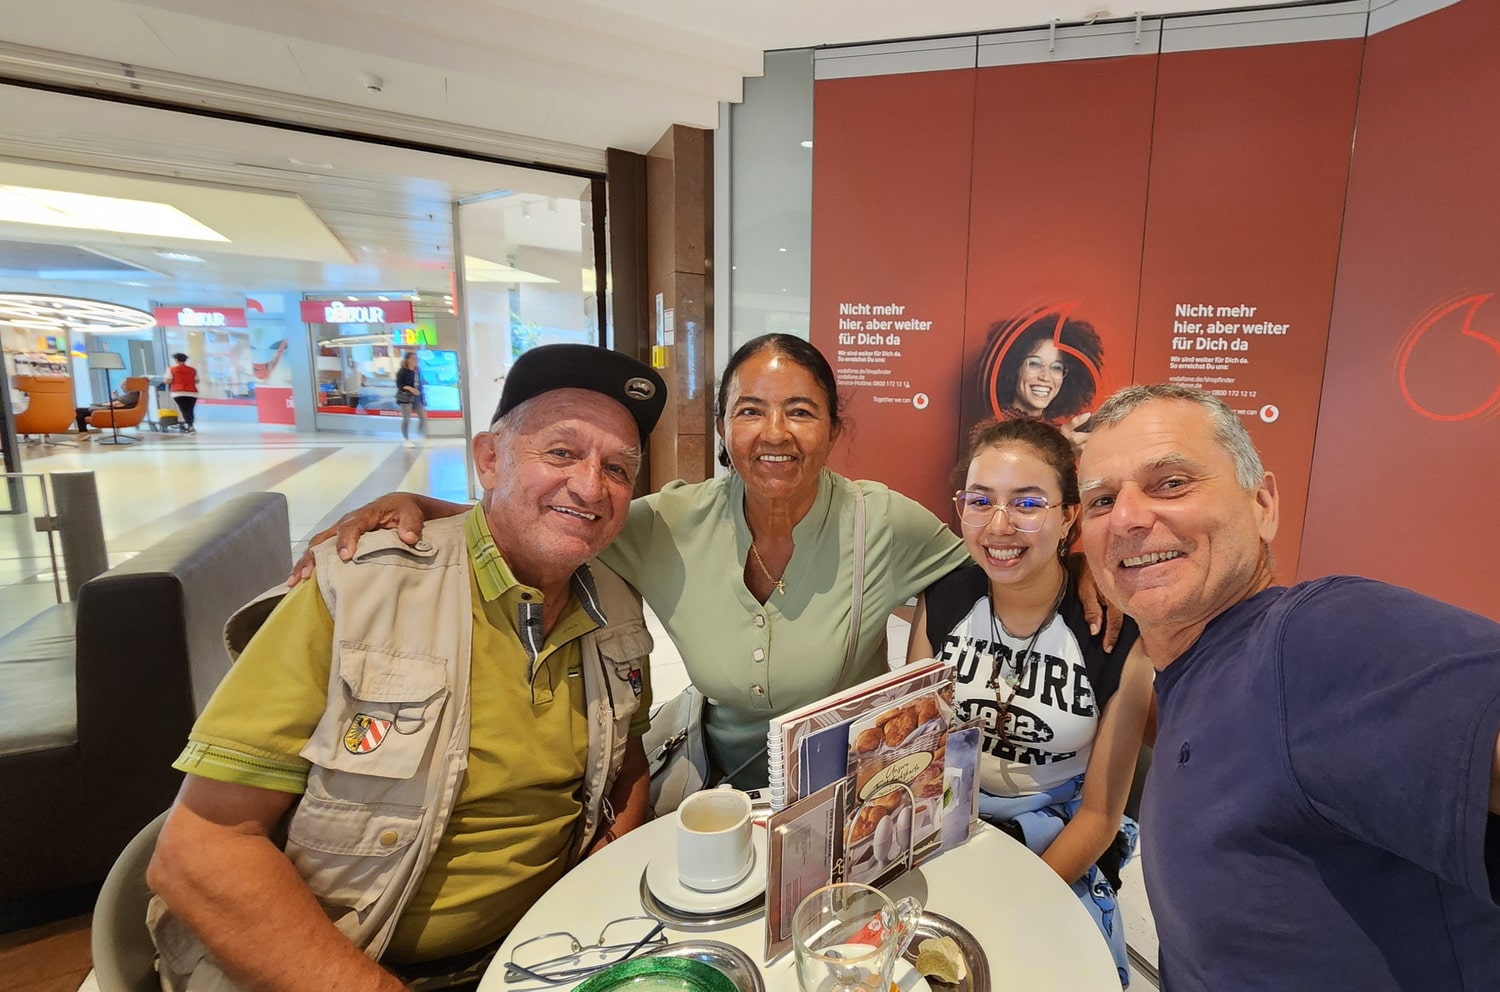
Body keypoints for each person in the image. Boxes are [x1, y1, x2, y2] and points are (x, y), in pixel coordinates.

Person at [146, 344, 666, 992]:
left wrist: (606, 861)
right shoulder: (357, 588)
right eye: (561, 452)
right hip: (348, 965)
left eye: (617, 467)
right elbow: (200, 852)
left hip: (540, 951)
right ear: (488, 458)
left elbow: (628, 760)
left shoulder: (613, 602)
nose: (591, 485)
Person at [297, 334, 1031, 790]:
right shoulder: (670, 523)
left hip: (847, 789)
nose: (774, 433)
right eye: (750, 410)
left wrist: (1091, 579)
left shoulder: (884, 521)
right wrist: (425, 505)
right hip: (712, 783)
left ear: (836, 428)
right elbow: (551, 520)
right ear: (722, 429)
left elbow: (1001, 560)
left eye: (801, 411)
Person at [1076, 383, 1500, 991]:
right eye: (1101, 501)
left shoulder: (1313, 635)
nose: (1127, 517)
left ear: (1263, 504)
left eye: (1172, 483)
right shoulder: (1189, 668)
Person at [907, 418, 1151, 987]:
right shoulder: (945, 600)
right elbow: (919, 749)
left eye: (1028, 503)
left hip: (1057, 832)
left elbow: (1100, 814)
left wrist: (1015, 900)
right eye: (980, 500)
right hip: (947, 817)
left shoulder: (1116, 635)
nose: (999, 525)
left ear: (1069, 516)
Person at [974, 306, 1105, 446]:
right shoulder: (989, 431)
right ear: (1013, 368)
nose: (1046, 377)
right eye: (1035, 364)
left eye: (1056, 367)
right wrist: (1060, 449)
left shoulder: (1058, 432)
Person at [74, 386, 141, 434]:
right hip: (111, 412)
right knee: (80, 413)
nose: (121, 387)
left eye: (123, 384)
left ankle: (83, 433)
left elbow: (116, 404)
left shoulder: (132, 394)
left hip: (108, 413)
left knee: (79, 411)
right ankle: (83, 433)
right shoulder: (131, 395)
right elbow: (122, 403)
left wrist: (100, 405)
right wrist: (117, 397)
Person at [397, 350, 427, 447]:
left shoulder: (417, 371)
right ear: (408, 360)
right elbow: (400, 385)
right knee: (406, 419)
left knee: (422, 417)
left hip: (417, 397)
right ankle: (406, 439)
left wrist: (423, 398)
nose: (415, 360)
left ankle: (419, 436)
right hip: (406, 397)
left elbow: (420, 385)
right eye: (413, 358)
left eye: (416, 358)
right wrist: (410, 388)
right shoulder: (403, 371)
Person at [165, 352, 199, 433]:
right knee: (190, 409)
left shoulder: (171, 369)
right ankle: (190, 425)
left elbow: (168, 380)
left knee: (184, 409)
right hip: (192, 392)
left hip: (178, 392)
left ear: (176, 360)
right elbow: (197, 381)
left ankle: (190, 425)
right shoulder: (192, 370)